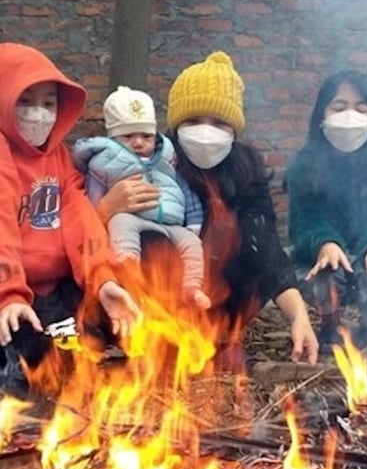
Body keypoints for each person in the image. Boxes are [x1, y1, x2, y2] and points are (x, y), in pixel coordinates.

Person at [0, 42, 141, 402]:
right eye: (26, 101)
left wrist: (103, 279)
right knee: (34, 366)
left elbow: (79, 216)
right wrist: (7, 298)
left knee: (111, 329)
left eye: (48, 103)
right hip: (3, 298)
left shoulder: (57, 156)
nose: (39, 114)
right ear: (3, 101)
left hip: (55, 291)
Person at [94, 51, 319, 368]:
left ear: (234, 130)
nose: (205, 131)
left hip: (218, 300)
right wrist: (107, 208)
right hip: (155, 299)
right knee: (149, 242)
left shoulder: (247, 174)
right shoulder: (147, 165)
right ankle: (155, 343)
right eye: (193, 121)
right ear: (175, 125)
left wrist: (299, 316)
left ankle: (219, 340)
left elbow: (267, 249)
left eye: (218, 123)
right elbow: (90, 234)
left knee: (251, 246)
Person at [286, 69, 367, 349]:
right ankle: (329, 324)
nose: (349, 116)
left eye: (360, 108)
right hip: (324, 258)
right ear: (322, 115)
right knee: (324, 273)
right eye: (339, 107)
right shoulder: (304, 165)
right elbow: (302, 221)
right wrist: (325, 243)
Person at [71, 86, 210, 309]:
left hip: (172, 223)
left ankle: (192, 288)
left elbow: (183, 189)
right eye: (128, 136)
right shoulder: (104, 162)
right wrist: (102, 211)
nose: (138, 142)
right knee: (121, 225)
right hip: (131, 217)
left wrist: (194, 222)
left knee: (193, 244)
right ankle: (129, 271)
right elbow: (93, 195)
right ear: (113, 137)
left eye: (146, 136)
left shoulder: (167, 159)